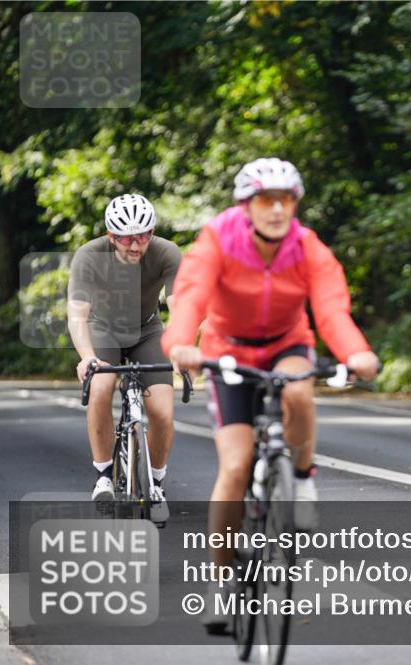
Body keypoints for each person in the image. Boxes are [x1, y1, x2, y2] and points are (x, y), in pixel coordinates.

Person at [160, 157, 379, 632]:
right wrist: (181, 345)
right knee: (235, 468)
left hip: (285, 344)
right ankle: (221, 584)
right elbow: (192, 295)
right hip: (229, 352)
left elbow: (331, 309)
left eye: (286, 200)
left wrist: (357, 353)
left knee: (299, 390)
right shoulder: (218, 238)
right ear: (247, 205)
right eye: (265, 200)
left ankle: (301, 478)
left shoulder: (308, 247)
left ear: (295, 204)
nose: (277, 210)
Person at [67, 194, 182, 524]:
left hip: (148, 330)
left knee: (161, 410)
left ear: (152, 232)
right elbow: (77, 312)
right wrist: (87, 356)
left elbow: (180, 305)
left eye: (142, 236)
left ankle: (156, 482)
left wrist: (183, 346)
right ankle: (103, 474)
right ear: (110, 236)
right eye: (125, 238)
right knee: (101, 389)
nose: (135, 245)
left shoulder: (167, 252)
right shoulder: (89, 255)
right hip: (104, 328)